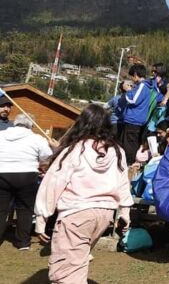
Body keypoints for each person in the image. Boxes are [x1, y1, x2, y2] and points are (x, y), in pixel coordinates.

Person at [34, 104, 133, 284]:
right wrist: (125, 212)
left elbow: (53, 183)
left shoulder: (74, 150)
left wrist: (41, 216)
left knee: (65, 272)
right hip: (104, 215)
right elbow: (123, 182)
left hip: (76, 214)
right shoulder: (117, 151)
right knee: (78, 261)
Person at [0, 115, 54, 250]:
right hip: (27, 174)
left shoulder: (1, 135)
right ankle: (22, 241)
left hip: (2, 173)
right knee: (25, 209)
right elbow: (46, 156)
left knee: (1, 209)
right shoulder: (37, 138)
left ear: (15, 123)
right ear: (31, 125)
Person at [118, 63, 159, 165]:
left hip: (134, 120)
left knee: (129, 146)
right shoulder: (142, 86)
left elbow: (133, 100)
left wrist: (127, 91)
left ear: (136, 74)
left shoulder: (142, 86)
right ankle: (128, 163)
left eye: (132, 76)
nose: (132, 78)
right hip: (134, 120)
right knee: (127, 144)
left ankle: (128, 164)